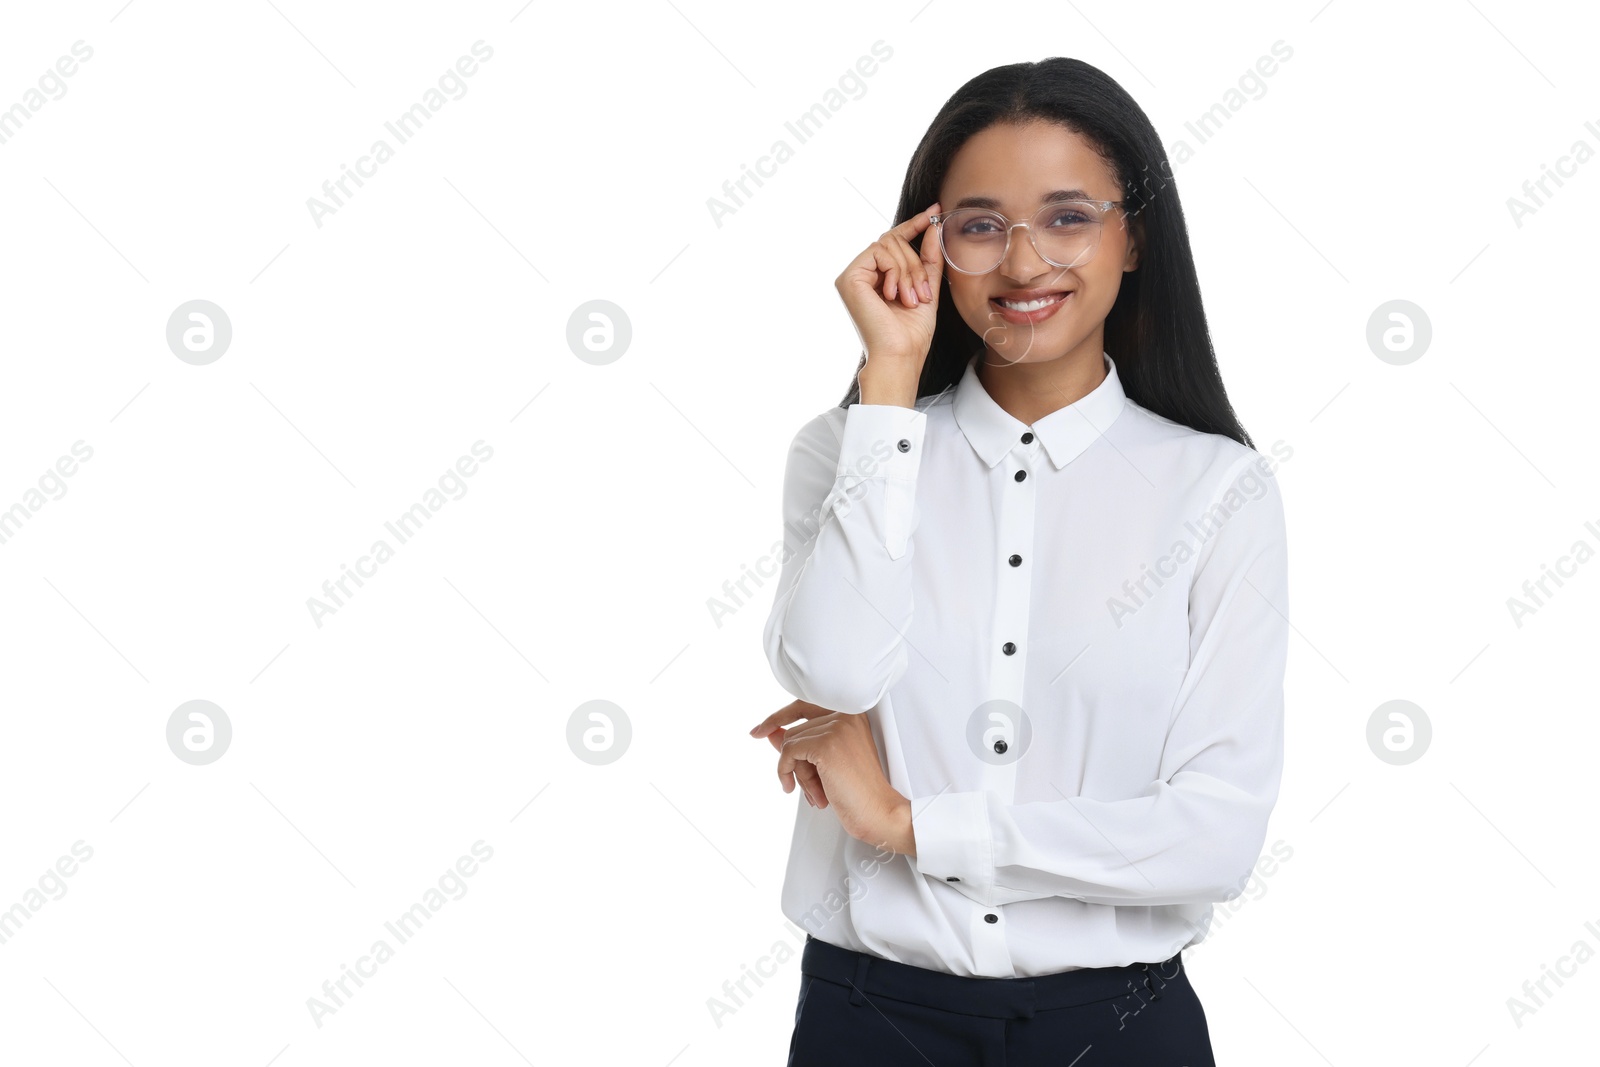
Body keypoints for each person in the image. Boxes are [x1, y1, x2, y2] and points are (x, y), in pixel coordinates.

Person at [749, 56, 1290, 1066]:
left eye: (1069, 216)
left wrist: (913, 825)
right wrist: (890, 382)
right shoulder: (847, 447)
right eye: (981, 224)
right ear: (927, 245)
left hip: (1123, 1028)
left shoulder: (1219, 491)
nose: (1023, 261)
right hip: (871, 1022)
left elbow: (1215, 837)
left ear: (1133, 238)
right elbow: (831, 672)